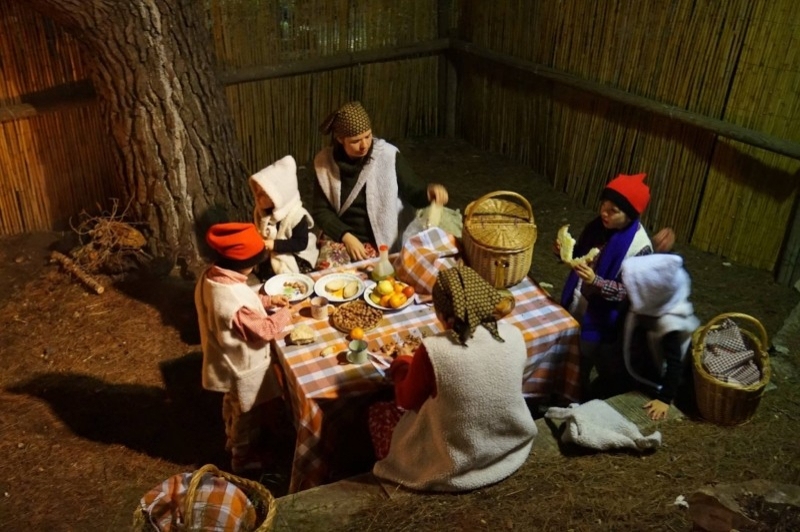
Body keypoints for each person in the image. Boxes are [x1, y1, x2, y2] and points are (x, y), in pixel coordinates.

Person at [370, 265, 537, 492]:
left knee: (378, 412)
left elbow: (406, 400)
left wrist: (402, 363)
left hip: (457, 460)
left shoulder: (434, 350)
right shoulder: (514, 334)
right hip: (508, 445)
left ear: (440, 314)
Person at [194, 222, 293, 474]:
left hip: (224, 359)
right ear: (242, 264)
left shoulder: (213, 278)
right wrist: (285, 314)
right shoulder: (231, 301)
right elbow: (264, 330)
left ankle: (230, 436)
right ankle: (242, 458)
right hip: (242, 367)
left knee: (232, 402)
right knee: (246, 415)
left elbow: (241, 297)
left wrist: (266, 300)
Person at [311, 101, 449, 266]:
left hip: (380, 240)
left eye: (368, 136)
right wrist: (346, 236)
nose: (364, 145)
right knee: (331, 279)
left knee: (380, 280)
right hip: (342, 235)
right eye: (355, 141)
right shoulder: (325, 163)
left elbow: (413, 191)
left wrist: (429, 192)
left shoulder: (388, 156)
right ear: (340, 139)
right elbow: (321, 210)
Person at [558, 173, 654, 400]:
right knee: (569, 348)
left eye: (613, 211)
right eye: (604, 205)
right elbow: (579, 252)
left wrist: (596, 281)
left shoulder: (640, 248)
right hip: (579, 297)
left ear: (630, 215)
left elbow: (628, 293)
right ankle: (565, 387)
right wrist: (562, 251)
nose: (604, 212)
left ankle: (578, 396)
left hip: (605, 316)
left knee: (590, 355)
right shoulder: (597, 227)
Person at [619, 253, 700, 420]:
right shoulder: (657, 300)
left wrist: (664, 399)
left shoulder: (670, 324)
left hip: (661, 373)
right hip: (647, 354)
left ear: (650, 293)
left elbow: (674, 363)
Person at [249, 155, 319, 278]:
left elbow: (300, 243)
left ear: (279, 195)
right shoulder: (261, 212)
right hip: (269, 250)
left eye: (264, 194)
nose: (258, 197)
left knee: (292, 269)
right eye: (257, 192)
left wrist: (274, 244)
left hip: (295, 251)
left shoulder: (296, 215)